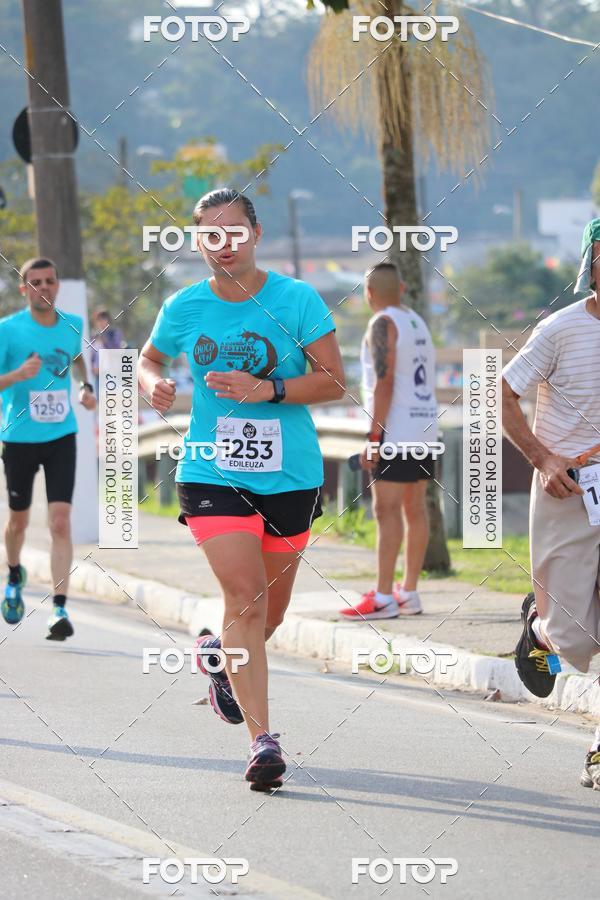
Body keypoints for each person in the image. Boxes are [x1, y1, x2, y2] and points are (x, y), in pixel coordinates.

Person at [138, 188, 345, 789]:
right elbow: (149, 360)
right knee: (247, 596)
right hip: (211, 471)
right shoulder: (184, 306)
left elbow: (333, 381)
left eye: (234, 232)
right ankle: (263, 742)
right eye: (210, 235)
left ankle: (221, 663)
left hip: (290, 475)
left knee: (269, 612)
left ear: (257, 234)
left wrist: (269, 390)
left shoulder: (297, 299)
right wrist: (153, 384)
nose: (222, 245)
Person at [503, 218, 600, 789]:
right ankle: (540, 630)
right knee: (575, 638)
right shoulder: (560, 329)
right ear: (592, 263)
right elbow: (506, 393)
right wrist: (542, 458)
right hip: (568, 487)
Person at [0, 258, 97, 638]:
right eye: (35, 282)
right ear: (24, 289)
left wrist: (85, 389)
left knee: (59, 521)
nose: (44, 287)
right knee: (19, 521)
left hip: (61, 435)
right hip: (19, 438)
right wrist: (17, 375)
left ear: (57, 286)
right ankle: (13, 574)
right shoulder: (9, 330)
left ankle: (58, 610)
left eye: (50, 281)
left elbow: (77, 364)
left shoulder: (72, 325)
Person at [340, 262, 438, 621]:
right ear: (401, 289)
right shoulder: (417, 321)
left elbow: (384, 381)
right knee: (416, 509)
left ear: (368, 294)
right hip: (426, 425)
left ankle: (383, 596)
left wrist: (374, 436)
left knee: (385, 510)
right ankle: (408, 592)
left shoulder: (382, 323)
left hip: (396, 430)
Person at [91, 308, 126, 395]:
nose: (101, 322)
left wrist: (104, 340)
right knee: (101, 403)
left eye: (103, 318)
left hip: (113, 373)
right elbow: (91, 354)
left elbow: (116, 349)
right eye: (98, 319)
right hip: (99, 375)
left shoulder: (114, 333)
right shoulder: (93, 336)